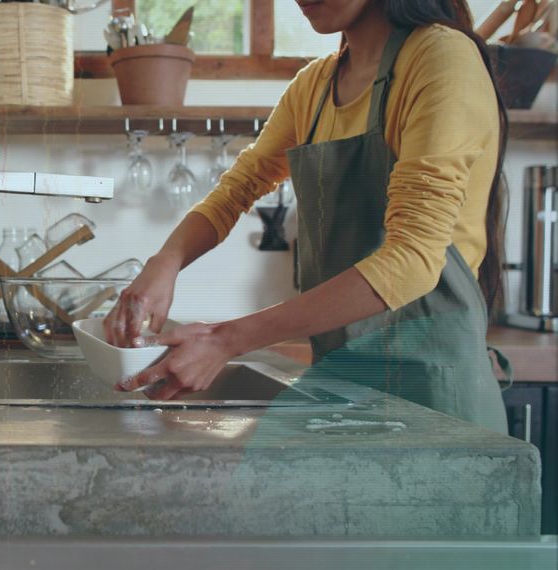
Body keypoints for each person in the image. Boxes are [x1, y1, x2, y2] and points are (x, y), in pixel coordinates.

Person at [103, 0, 510, 433]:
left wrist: (226, 339)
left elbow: (412, 260)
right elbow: (237, 189)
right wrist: (164, 263)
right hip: (342, 393)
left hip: (433, 399)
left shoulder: (442, 56)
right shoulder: (314, 87)